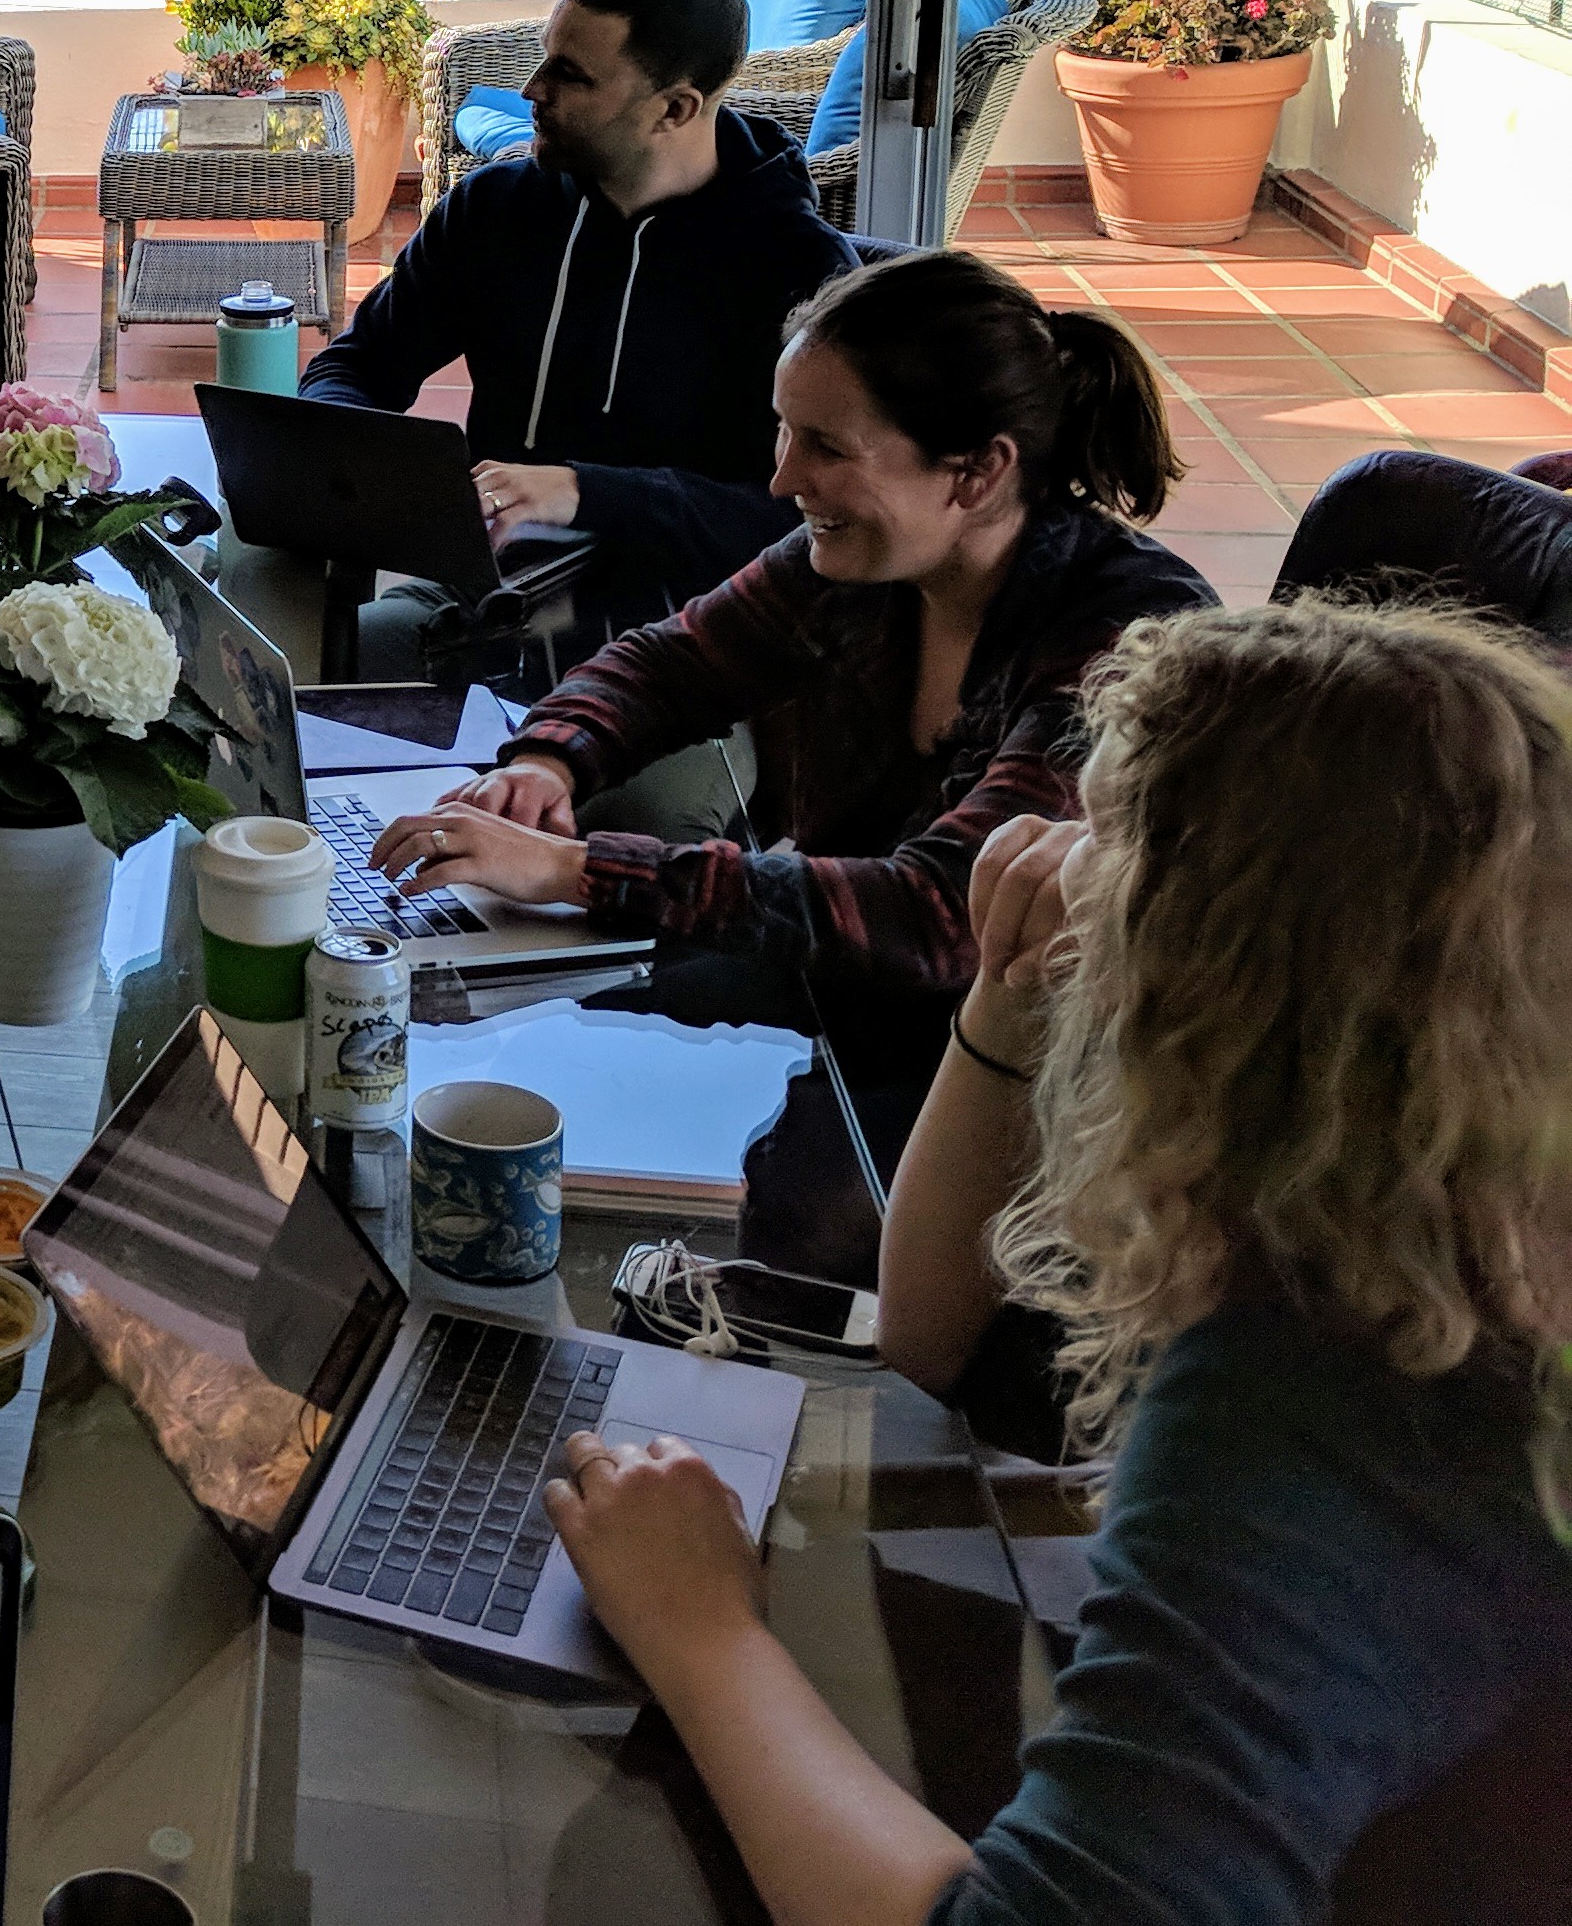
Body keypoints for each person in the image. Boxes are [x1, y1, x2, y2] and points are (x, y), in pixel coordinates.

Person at [547, 598, 1572, 1924]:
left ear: (1225, 978)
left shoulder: (1315, 1394)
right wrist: (1012, 993)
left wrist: (703, 1635)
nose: (1067, 866)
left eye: (1119, 848)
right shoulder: (1445, 1234)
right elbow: (922, 1341)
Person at [370, 250, 1213, 1089]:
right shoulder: (861, 564)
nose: (781, 477)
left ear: (978, 471)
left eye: (825, 446)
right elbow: (669, 663)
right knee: (491, 1031)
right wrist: (545, 760)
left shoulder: (1130, 644)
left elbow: (944, 915)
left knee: (547, 1051)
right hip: (846, 1004)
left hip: (1045, 1077)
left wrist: (572, 868)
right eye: (783, 429)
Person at [305, 0, 855, 667]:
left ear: (675, 108)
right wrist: (350, 458)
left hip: (688, 639)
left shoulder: (801, 271)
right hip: (485, 600)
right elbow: (359, 365)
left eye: (570, 75)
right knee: (284, 682)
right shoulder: (495, 210)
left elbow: (807, 513)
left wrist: (584, 493)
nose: (531, 89)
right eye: (544, 57)